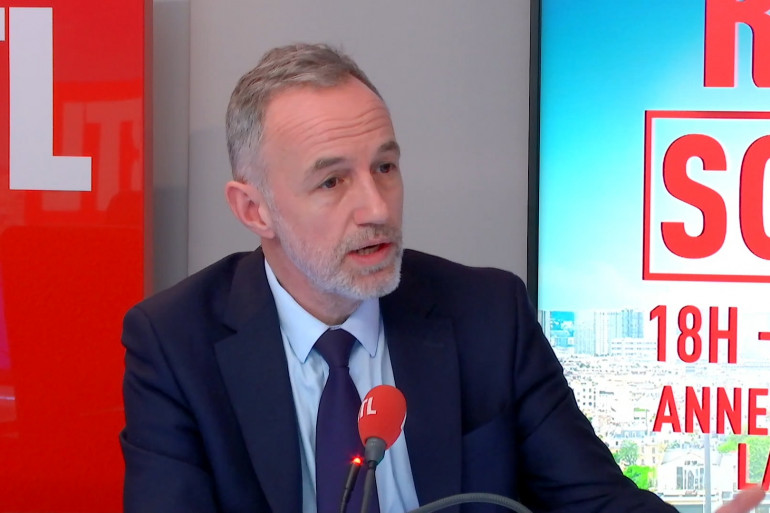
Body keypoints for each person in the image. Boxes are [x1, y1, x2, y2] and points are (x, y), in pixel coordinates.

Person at [120, 43, 766, 513]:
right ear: (254, 209)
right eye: (332, 181)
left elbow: (592, 499)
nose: (376, 208)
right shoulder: (175, 342)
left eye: (385, 167)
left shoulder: (487, 313)